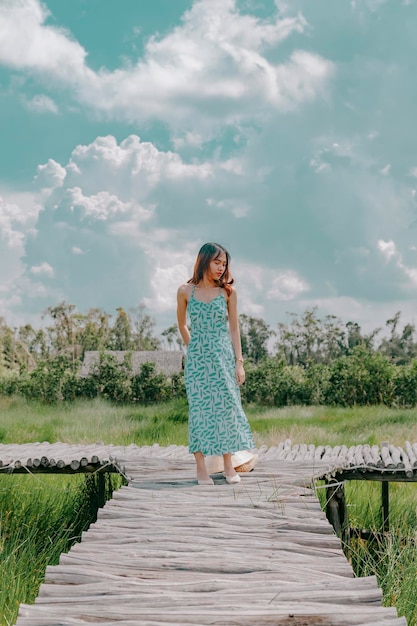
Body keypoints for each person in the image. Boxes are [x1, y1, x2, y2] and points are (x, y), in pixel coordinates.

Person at [177, 242, 255, 485]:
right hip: (198, 362)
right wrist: (195, 349)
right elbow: (182, 325)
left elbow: (234, 328)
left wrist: (239, 362)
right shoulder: (185, 291)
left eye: (224, 263)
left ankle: (228, 466)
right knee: (199, 410)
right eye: (217, 262)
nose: (221, 268)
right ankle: (201, 468)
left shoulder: (228, 293)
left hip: (223, 358)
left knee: (227, 409)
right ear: (204, 261)